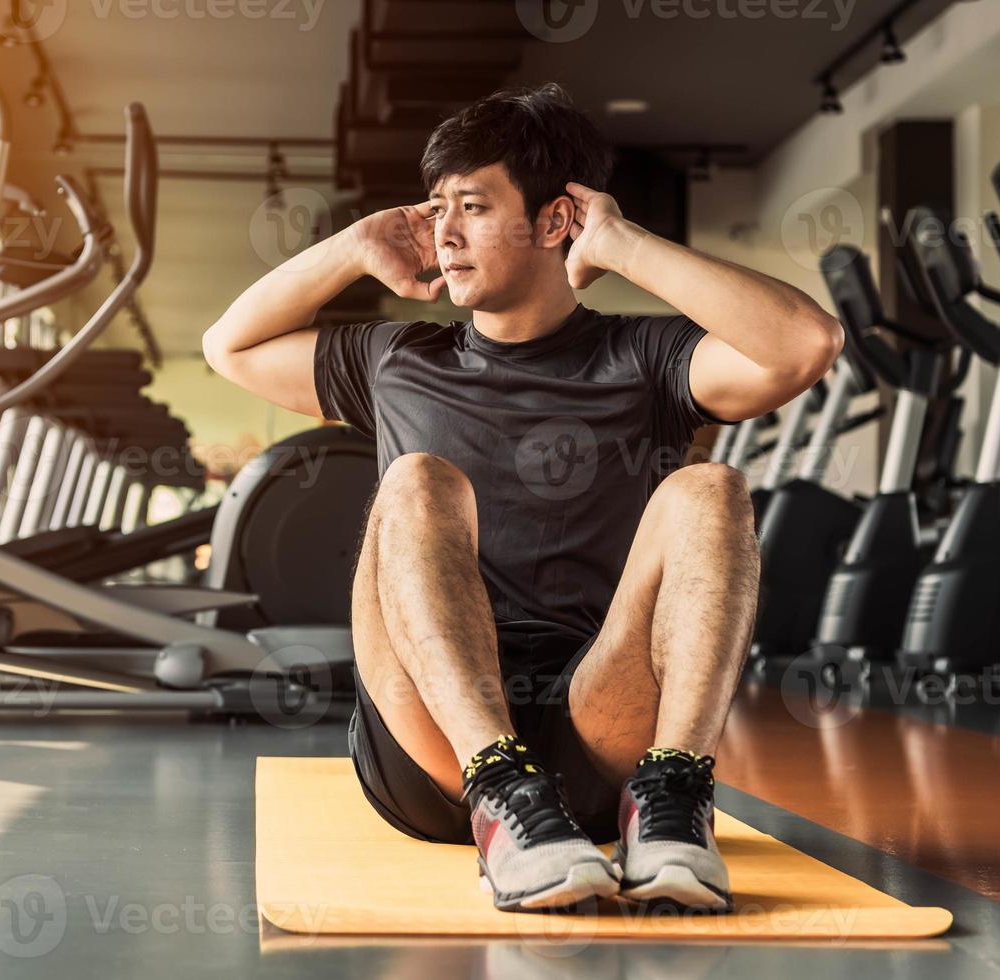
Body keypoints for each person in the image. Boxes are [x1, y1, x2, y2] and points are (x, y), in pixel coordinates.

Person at [203, 84, 842, 913]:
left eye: (472, 206)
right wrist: (355, 246)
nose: (444, 232)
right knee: (415, 481)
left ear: (553, 222)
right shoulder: (396, 357)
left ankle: (674, 796)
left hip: (596, 725)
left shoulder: (644, 356)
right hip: (439, 754)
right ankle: (504, 792)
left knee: (709, 489)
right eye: (437, 208)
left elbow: (806, 343)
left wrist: (622, 243)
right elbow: (231, 345)